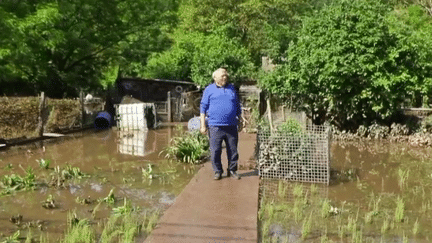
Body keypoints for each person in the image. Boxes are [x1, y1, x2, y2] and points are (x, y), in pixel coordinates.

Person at [200, 68, 243, 180]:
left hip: (231, 126)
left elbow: (237, 105)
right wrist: (203, 125)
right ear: (215, 78)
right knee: (215, 151)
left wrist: (240, 120)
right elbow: (203, 108)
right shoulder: (209, 90)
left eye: (226, 75)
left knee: (233, 151)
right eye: (222, 76)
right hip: (215, 126)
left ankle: (232, 170)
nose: (225, 77)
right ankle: (218, 171)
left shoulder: (232, 88)